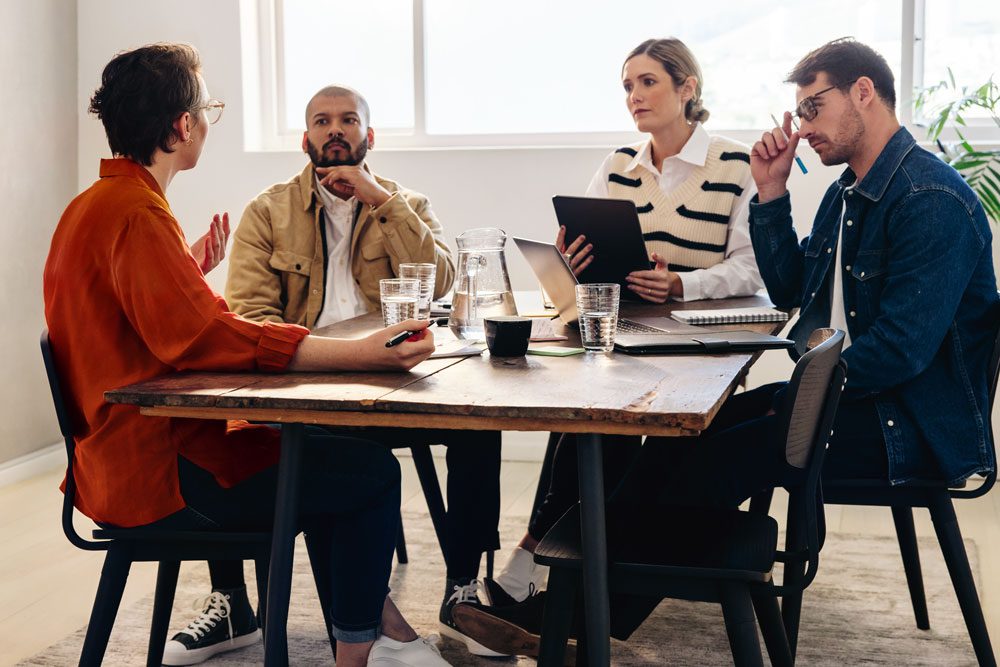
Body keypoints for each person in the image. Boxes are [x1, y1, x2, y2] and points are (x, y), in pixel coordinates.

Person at [454, 37, 998, 656]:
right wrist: (771, 194)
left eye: (813, 108)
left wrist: (797, 396)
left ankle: (572, 618)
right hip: (847, 398)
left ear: (864, 93)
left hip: (907, 427)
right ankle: (572, 604)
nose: (802, 128)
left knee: (715, 458)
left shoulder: (930, 199)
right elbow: (792, 289)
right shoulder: (853, 192)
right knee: (683, 438)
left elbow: (900, 352)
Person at [44, 43, 450, 667]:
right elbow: (206, 340)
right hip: (157, 476)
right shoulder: (137, 216)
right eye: (206, 109)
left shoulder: (93, 206)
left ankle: (358, 626)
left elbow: (151, 324)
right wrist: (356, 354)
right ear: (182, 127)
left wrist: (186, 272)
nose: (208, 122)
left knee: (326, 458)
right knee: (370, 475)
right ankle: (359, 653)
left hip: (110, 463)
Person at [481, 36, 765, 617]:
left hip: (693, 343)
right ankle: (551, 561)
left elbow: (752, 269)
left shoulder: (737, 166)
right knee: (585, 415)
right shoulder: (617, 166)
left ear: (688, 88)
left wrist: (681, 283)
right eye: (627, 85)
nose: (634, 95)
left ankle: (541, 562)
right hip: (621, 333)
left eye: (648, 82)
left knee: (592, 422)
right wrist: (571, 261)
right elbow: (581, 265)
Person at [220, 85, 503, 657]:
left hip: (402, 383)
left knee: (481, 428)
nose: (335, 130)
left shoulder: (407, 204)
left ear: (368, 137)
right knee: (344, 464)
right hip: (315, 388)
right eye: (322, 121)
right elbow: (250, 318)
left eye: (349, 120)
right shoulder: (267, 212)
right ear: (305, 140)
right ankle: (368, 612)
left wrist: (381, 201)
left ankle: (462, 589)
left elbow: (444, 283)